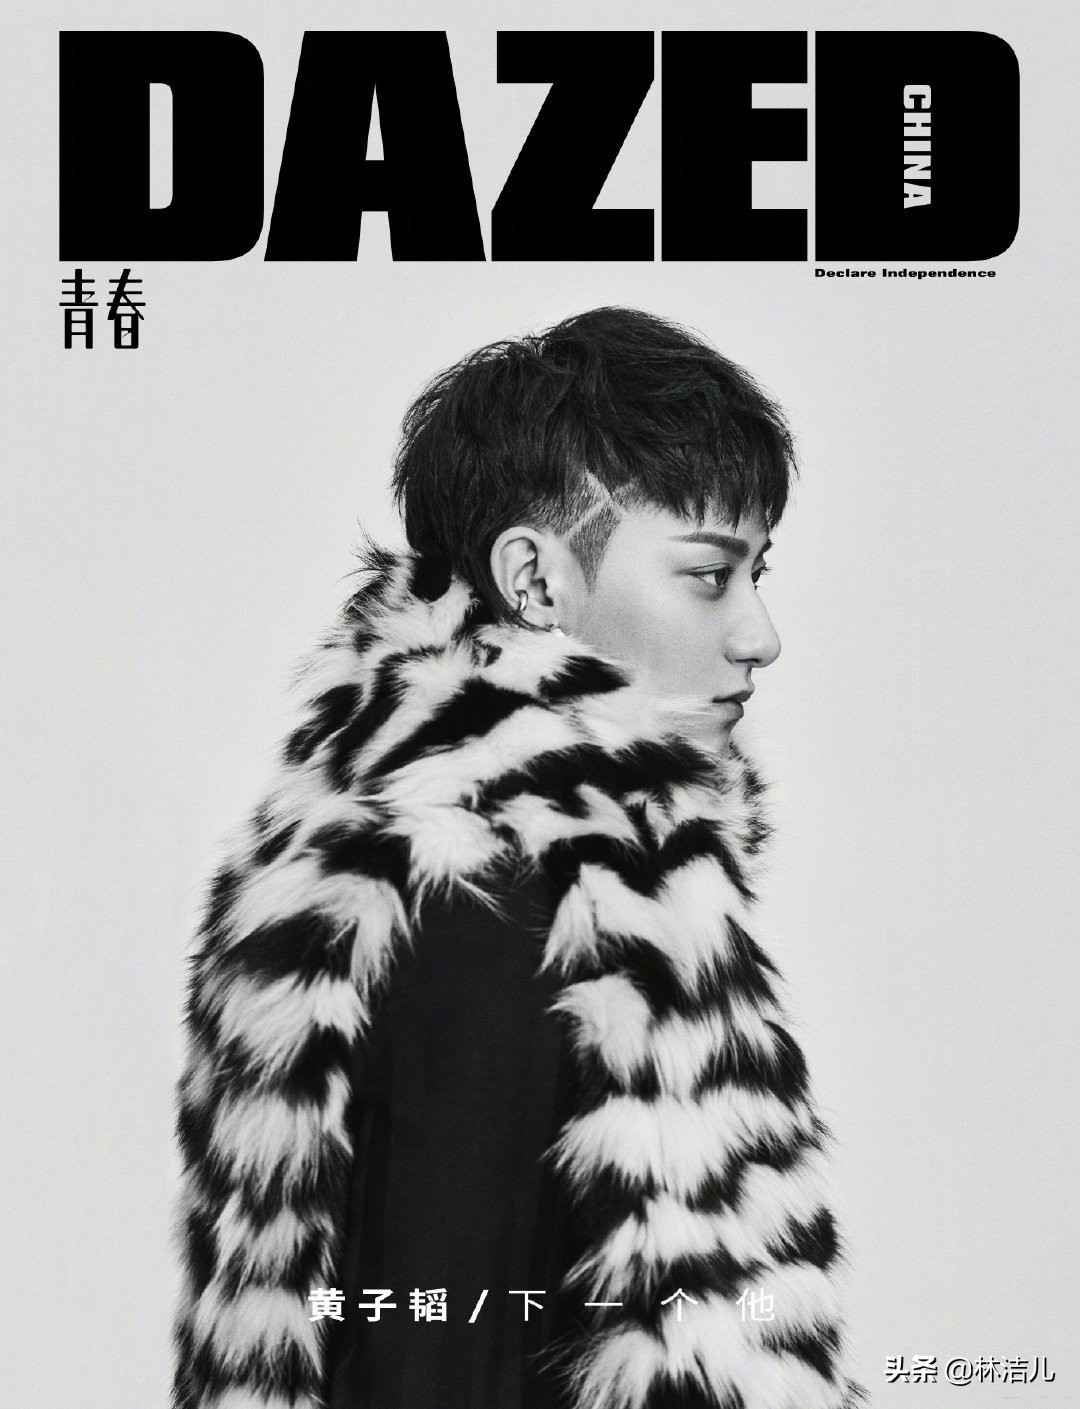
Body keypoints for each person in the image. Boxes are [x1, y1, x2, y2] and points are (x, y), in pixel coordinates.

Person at [170, 307, 866, 1409]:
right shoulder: (494, 904)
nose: (759, 634)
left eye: (756, 573)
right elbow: (432, 1359)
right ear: (535, 582)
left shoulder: (489, 869)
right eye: (708, 573)